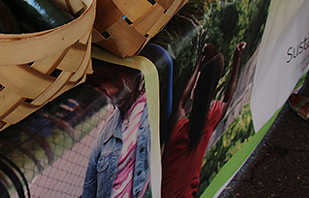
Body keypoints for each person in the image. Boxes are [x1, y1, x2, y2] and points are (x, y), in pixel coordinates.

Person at [160, 41, 246, 198]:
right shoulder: (210, 120)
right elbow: (228, 99)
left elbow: (181, 100)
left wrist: (200, 59)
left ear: (195, 92)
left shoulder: (177, 127)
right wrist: (237, 58)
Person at [81, 61, 151, 198]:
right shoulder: (106, 136)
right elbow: (89, 190)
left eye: (112, 76)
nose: (110, 91)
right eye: (98, 86)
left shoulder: (156, 104)